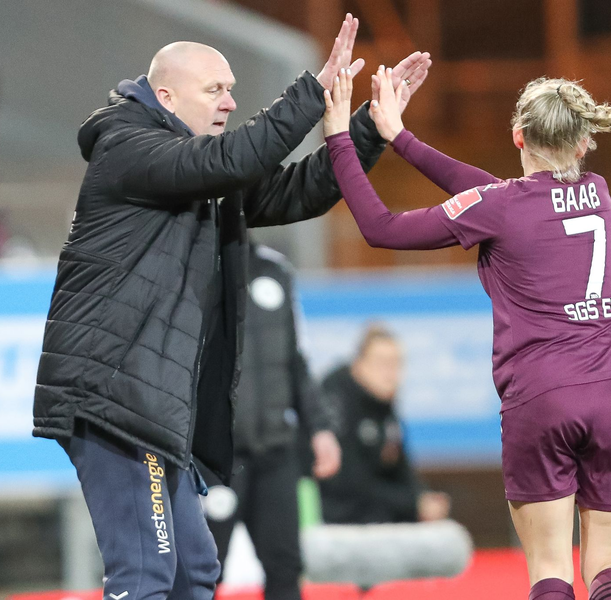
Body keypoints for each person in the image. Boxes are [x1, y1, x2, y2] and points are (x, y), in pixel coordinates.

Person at [32, 14, 432, 599]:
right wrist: (314, 92)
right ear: (165, 96)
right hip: (114, 399)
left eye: (230, 88)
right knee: (145, 573)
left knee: (194, 569)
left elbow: (300, 190)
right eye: (214, 89)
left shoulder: (195, 169)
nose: (230, 100)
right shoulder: (127, 145)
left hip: (153, 407)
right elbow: (231, 162)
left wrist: (370, 126)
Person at [322, 67, 611, 599]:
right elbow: (494, 194)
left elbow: (381, 228)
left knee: (551, 569)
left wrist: (338, 139)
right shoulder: (599, 192)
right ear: (585, 141)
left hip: (544, 393)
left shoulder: (502, 205)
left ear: (518, 135)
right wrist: (401, 138)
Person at [199, 239, 341, 600]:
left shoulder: (276, 270)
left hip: (277, 451)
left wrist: (320, 427)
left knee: (285, 565)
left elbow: (296, 359)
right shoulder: (193, 266)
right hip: (217, 459)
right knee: (204, 569)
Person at [318, 324, 451, 525]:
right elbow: (349, 485)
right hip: (337, 519)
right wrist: (412, 503)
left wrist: (422, 498)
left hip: (378, 517)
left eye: (397, 364)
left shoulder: (384, 405)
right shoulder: (335, 401)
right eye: (382, 363)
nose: (391, 373)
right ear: (359, 365)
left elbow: (401, 467)